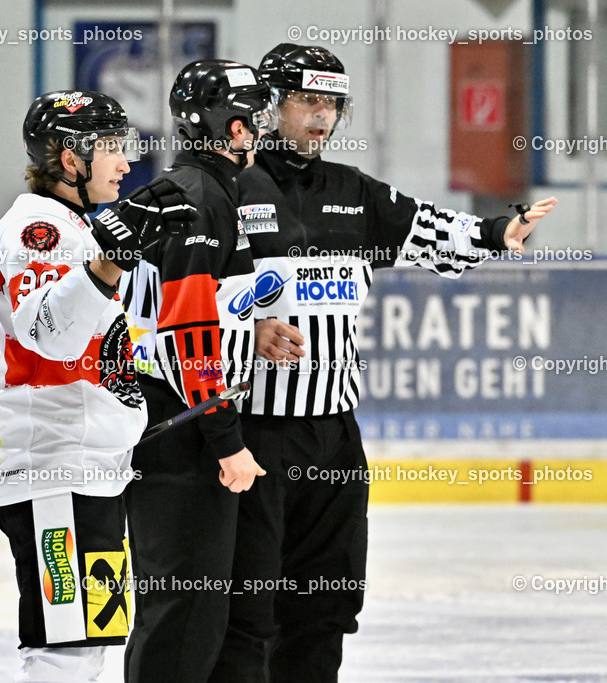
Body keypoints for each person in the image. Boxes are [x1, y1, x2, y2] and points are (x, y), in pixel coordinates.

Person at [212, 44, 557, 682]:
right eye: (307, 101)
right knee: (248, 610)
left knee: (327, 603)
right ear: (269, 107)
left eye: (332, 104)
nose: (322, 117)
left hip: (335, 435)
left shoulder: (352, 191)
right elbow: (177, 297)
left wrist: (493, 233)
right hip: (251, 433)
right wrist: (245, 326)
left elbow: (429, 230)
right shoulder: (226, 189)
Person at [0, 89, 191, 681]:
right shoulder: (37, 228)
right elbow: (49, 333)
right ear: (69, 159)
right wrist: (110, 259)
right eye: (113, 148)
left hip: (83, 462)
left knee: (87, 645)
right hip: (52, 462)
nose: (126, 163)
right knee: (65, 653)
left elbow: (116, 341)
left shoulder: (76, 226)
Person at [119, 60, 272, 683]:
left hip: (180, 422)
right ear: (222, 124)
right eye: (249, 116)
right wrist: (228, 441)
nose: (258, 128)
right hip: (177, 432)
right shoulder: (199, 197)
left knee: (205, 613)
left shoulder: (206, 189)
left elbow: (199, 312)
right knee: (183, 611)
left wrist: (254, 329)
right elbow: (187, 336)